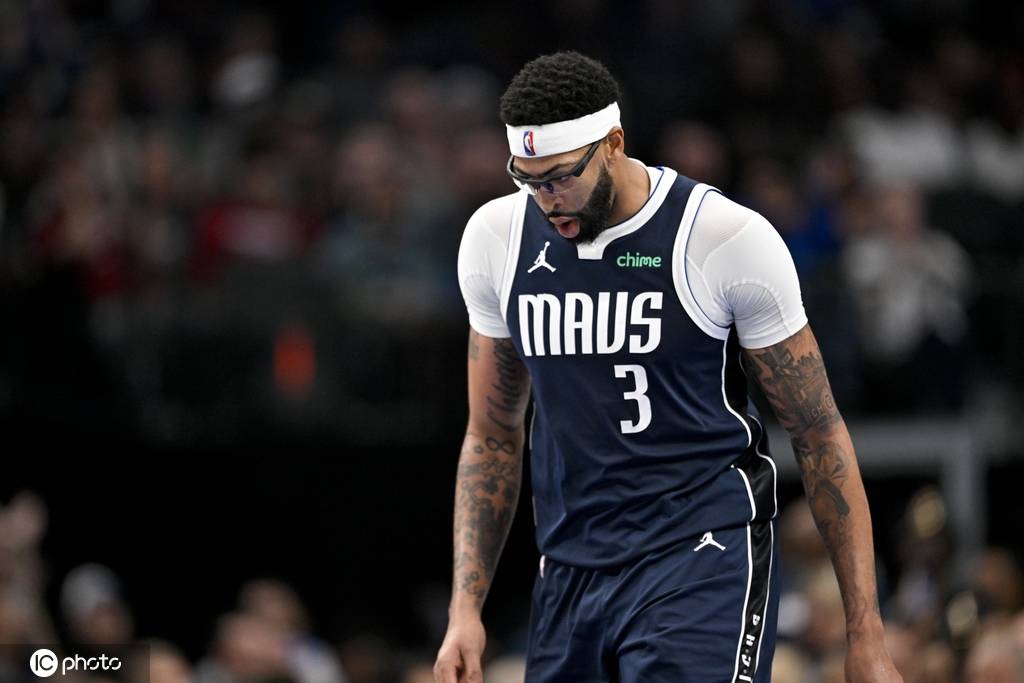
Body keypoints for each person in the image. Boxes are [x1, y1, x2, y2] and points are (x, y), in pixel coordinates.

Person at [434, 51, 902, 682]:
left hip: (701, 554)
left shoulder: (723, 237)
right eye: (528, 179)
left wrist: (865, 633)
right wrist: (465, 609)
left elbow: (819, 434)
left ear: (613, 144)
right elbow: (492, 435)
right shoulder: (496, 239)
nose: (546, 199)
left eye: (561, 178)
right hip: (570, 564)